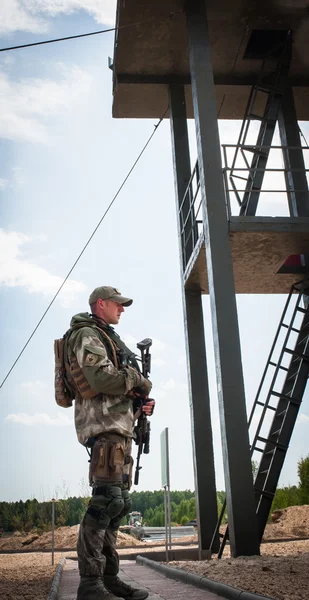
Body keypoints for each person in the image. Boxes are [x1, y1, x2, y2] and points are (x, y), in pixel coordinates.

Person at [65, 286, 155, 600]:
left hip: (119, 426)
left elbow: (115, 387)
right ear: (101, 304)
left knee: (120, 504)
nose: (122, 309)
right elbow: (101, 379)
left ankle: (109, 577)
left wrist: (139, 402)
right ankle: (89, 584)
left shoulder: (106, 335)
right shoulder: (87, 334)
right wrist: (137, 379)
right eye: (118, 304)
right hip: (102, 425)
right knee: (106, 501)